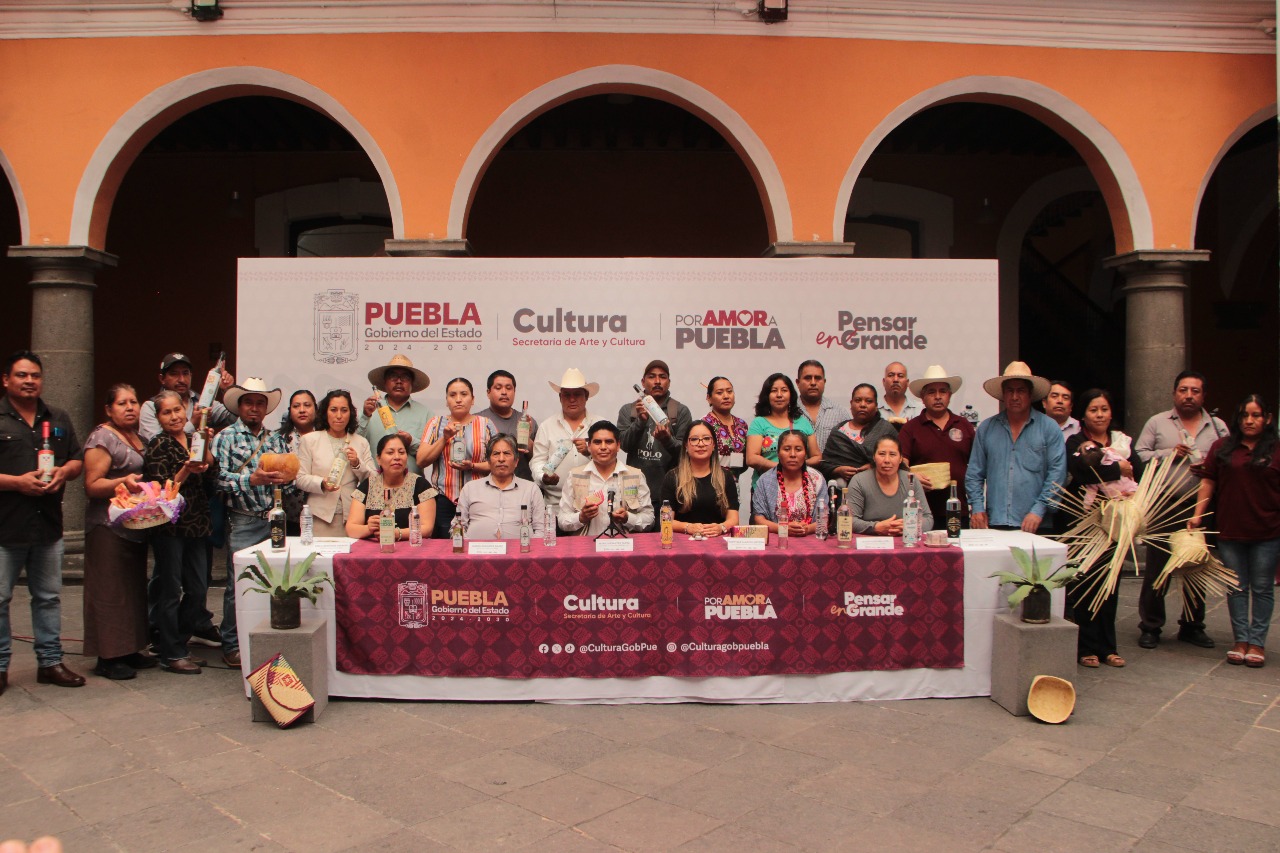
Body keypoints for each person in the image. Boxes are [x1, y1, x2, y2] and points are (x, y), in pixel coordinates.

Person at [0, 351, 85, 692]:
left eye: (35, 375)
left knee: (48, 597)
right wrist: (17, 483)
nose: (29, 381)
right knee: (0, 600)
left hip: (48, 526)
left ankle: (50, 663)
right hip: (5, 528)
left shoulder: (58, 417)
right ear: (6, 380)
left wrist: (64, 472)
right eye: (22, 375)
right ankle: (0, 667)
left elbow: (77, 459)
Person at [1133, 370, 1228, 650]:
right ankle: (1151, 625)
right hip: (1164, 503)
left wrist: (1209, 467)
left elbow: (1229, 460)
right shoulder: (1157, 422)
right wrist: (1169, 454)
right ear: (1174, 393)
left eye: (1195, 391)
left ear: (1204, 396)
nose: (1189, 396)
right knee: (1157, 568)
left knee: (1197, 565)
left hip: (1201, 505)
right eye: (1183, 390)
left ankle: (1192, 625)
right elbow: (1139, 456)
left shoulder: (1218, 426)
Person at [1190, 394, 1280, 668]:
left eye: (1255, 415)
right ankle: (1240, 640)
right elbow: (1208, 482)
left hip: (1268, 531)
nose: (1249, 421)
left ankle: (1257, 642)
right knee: (1236, 587)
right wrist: (1197, 515)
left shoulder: (1277, 449)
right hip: (1230, 529)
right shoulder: (1222, 447)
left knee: (1262, 587)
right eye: (1244, 415)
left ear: (1268, 419)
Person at [213, 378, 295, 668]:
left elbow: (288, 483)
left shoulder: (275, 440)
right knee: (239, 584)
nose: (255, 408)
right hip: (243, 519)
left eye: (260, 403)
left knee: (273, 582)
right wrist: (251, 479)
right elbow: (217, 479)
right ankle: (232, 644)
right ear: (239, 406)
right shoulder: (225, 437)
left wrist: (287, 479)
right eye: (249, 402)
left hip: (273, 520)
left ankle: (266, 639)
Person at [80, 384, 155, 680]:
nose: (130, 407)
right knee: (109, 590)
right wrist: (122, 483)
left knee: (131, 589)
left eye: (134, 402)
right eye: (122, 403)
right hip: (106, 526)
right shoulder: (102, 437)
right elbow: (92, 484)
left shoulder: (138, 437)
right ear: (108, 409)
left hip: (134, 525)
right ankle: (108, 657)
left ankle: (130, 649)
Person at [1065, 389, 1143, 669]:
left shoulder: (1122, 441)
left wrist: (1129, 482)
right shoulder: (1076, 441)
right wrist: (1118, 469)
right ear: (1083, 415)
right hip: (1088, 522)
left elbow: (1138, 470)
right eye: (1093, 410)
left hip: (1116, 521)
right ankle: (1086, 647)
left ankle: (1108, 647)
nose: (1099, 415)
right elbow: (1083, 471)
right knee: (1085, 582)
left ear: (1111, 413)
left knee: (1111, 583)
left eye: (1104, 409)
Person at [145, 390, 218, 674]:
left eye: (177, 410)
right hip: (170, 526)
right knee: (170, 589)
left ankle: (180, 642)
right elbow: (161, 491)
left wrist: (206, 447)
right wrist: (186, 469)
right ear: (158, 417)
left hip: (197, 521)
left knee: (198, 588)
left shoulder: (193, 437)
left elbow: (212, 473)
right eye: (167, 412)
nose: (174, 416)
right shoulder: (158, 444)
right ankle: (170, 652)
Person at [965, 361, 1067, 532]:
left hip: (1036, 523)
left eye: (1021, 391)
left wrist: (1039, 509)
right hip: (995, 520)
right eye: (1009, 391)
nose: (1014, 397)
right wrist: (977, 507)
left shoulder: (1049, 428)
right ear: (1003, 395)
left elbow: (1057, 474)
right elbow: (974, 473)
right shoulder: (987, 428)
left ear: (1030, 394)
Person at [618, 359, 693, 531]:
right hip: (634, 494)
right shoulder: (628, 410)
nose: (657, 381)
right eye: (652, 377)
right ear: (643, 382)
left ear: (669, 382)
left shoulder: (680, 411)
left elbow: (687, 453)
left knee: (667, 542)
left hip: (670, 493)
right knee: (636, 544)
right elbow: (624, 445)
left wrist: (667, 440)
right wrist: (640, 422)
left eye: (662, 377)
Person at [417, 377, 496, 538]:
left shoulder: (486, 424)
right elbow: (421, 460)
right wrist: (444, 438)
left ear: (472, 399)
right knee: (444, 548)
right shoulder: (436, 423)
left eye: (464, 394)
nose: (458, 399)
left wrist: (472, 466)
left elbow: (498, 463)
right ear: (446, 401)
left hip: (479, 498)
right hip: (443, 499)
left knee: (477, 545)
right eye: (452, 395)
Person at [897, 364, 974, 526]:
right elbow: (901, 465)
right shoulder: (910, 428)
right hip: (921, 511)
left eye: (943, 391)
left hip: (958, 509)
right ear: (922, 397)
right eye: (931, 392)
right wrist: (912, 477)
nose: (938, 397)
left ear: (950, 395)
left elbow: (977, 468)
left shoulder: (964, 425)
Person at [295, 390, 375, 538]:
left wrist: (357, 464)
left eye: (344, 410)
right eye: (333, 410)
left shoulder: (361, 442)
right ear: (325, 413)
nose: (339, 415)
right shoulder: (309, 440)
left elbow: (374, 480)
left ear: (351, 413)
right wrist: (321, 483)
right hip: (319, 516)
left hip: (352, 518)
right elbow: (300, 478)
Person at [558, 421, 654, 536]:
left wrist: (628, 518)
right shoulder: (575, 476)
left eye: (609, 442)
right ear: (589, 446)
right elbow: (562, 520)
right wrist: (581, 517)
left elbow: (649, 519)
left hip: (623, 544)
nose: (603, 447)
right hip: (587, 545)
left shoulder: (635, 475)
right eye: (597, 442)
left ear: (618, 446)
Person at [530, 369, 599, 521]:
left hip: (593, 506)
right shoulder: (547, 426)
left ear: (586, 396)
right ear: (560, 397)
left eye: (577, 394)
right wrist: (543, 477)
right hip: (555, 507)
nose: (572, 399)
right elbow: (537, 462)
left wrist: (590, 452)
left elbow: (612, 461)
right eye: (567, 395)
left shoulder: (600, 425)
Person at [347, 434, 437, 542]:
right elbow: (351, 529)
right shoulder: (368, 485)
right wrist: (368, 528)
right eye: (390, 453)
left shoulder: (420, 485)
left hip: (411, 548)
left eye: (401, 452)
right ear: (378, 459)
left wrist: (397, 533)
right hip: (374, 549)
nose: (397, 457)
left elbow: (427, 528)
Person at [456, 434, 546, 540]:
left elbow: (541, 530)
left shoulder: (531, 489)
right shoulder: (470, 489)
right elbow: (457, 526)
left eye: (507, 453)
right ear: (488, 461)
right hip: (475, 549)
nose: (501, 459)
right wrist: (468, 547)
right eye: (496, 454)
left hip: (521, 549)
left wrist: (530, 549)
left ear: (516, 461)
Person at [661, 421, 740, 537]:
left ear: (714, 445)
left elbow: (734, 519)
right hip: (683, 541)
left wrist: (721, 527)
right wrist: (687, 527)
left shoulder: (726, 477)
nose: (701, 444)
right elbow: (666, 520)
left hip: (717, 540)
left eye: (706, 439)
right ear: (686, 445)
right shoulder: (672, 477)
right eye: (694, 439)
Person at [846, 435, 934, 536]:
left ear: (900, 458)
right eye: (882, 454)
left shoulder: (911, 480)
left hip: (905, 540)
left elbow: (928, 519)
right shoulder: (859, 481)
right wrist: (875, 527)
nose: (887, 460)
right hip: (870, 541)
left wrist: (910, 526)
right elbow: (848, 520)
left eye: (892, 454)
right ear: (874, 457)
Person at [359, 354, 432, 476]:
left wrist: (411, 442)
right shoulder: (370, 411)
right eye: (393, 376)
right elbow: (354, 444)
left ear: (412, 383)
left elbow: (432, 455)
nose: (399, 381)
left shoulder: (426, 414)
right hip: (375, 483)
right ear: (384, 382)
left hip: (414, 485)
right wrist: (365, 416)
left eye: (405, 377)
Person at [139, 352, 235, 441]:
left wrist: (228, 391)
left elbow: (236, 418)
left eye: (185, 373)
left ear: (191, 375)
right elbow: (156, 443)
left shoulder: (203, 402)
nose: (182, 379)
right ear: (162, 379)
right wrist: (193, 423)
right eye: (174, 374)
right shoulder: (151, 406)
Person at [746, 373, 820, 486]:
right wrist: (782, 468)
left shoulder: (803, 422)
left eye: (784, 390)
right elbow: (751, 458)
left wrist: (798, 466)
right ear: (767, 395)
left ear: (791, 395)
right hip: (765, 486)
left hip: (799, 487)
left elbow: (817, 457)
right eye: (774, 391)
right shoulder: (759, 423)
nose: (779, 395)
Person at [819, 383, 897, 487]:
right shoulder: (838, 431)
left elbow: (898, 461)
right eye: (858, 400)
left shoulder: (885, 429)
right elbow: (824, 464)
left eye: (868, 401)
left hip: (879, 487)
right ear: (851, 404)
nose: (863, 405)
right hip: (843, 489)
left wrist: (874, 466)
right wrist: (838, 470)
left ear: (876, 406)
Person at [751, 429, 827, 537]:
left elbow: (825, 519)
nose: (792, 454)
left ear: (805, 454)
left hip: (811, 539)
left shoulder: (817, 479)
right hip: (776, 540)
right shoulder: (765, 481)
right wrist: (782, 528)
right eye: (787, 449)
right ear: (778, 453)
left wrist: (807, 529)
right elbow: (759, 520)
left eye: (798, 449)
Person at [477, 370, 539, 482]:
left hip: (522, 486)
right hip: (487, 486)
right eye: (498, 388)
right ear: (488, 392)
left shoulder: (528, 422)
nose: (504, 392)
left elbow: (538, 460)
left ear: (514, 392)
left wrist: (527, 439)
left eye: (509, 388)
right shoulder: (477, 421)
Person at [278, 390, 317, 536]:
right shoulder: (279, 440)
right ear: (290, 411)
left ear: (316, 409)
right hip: (289, 515)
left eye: (307, 405)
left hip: (321, 514)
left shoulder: (326, 436)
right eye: (296, 406)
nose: (302, 410)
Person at [701, 376, 749, 482]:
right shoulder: (704, 424)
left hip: (734, 484)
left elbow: (746, 460)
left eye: (729, 391)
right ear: (709, 398)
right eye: (719, 393)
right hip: (709, 483)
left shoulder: (742, 425)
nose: (726, 396)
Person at [796, 360, 845, 450]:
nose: (813, 383)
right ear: (798, 383)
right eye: (808, 378)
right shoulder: (788, 411)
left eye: (818, 378)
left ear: (824, 382)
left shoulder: (839, 412)